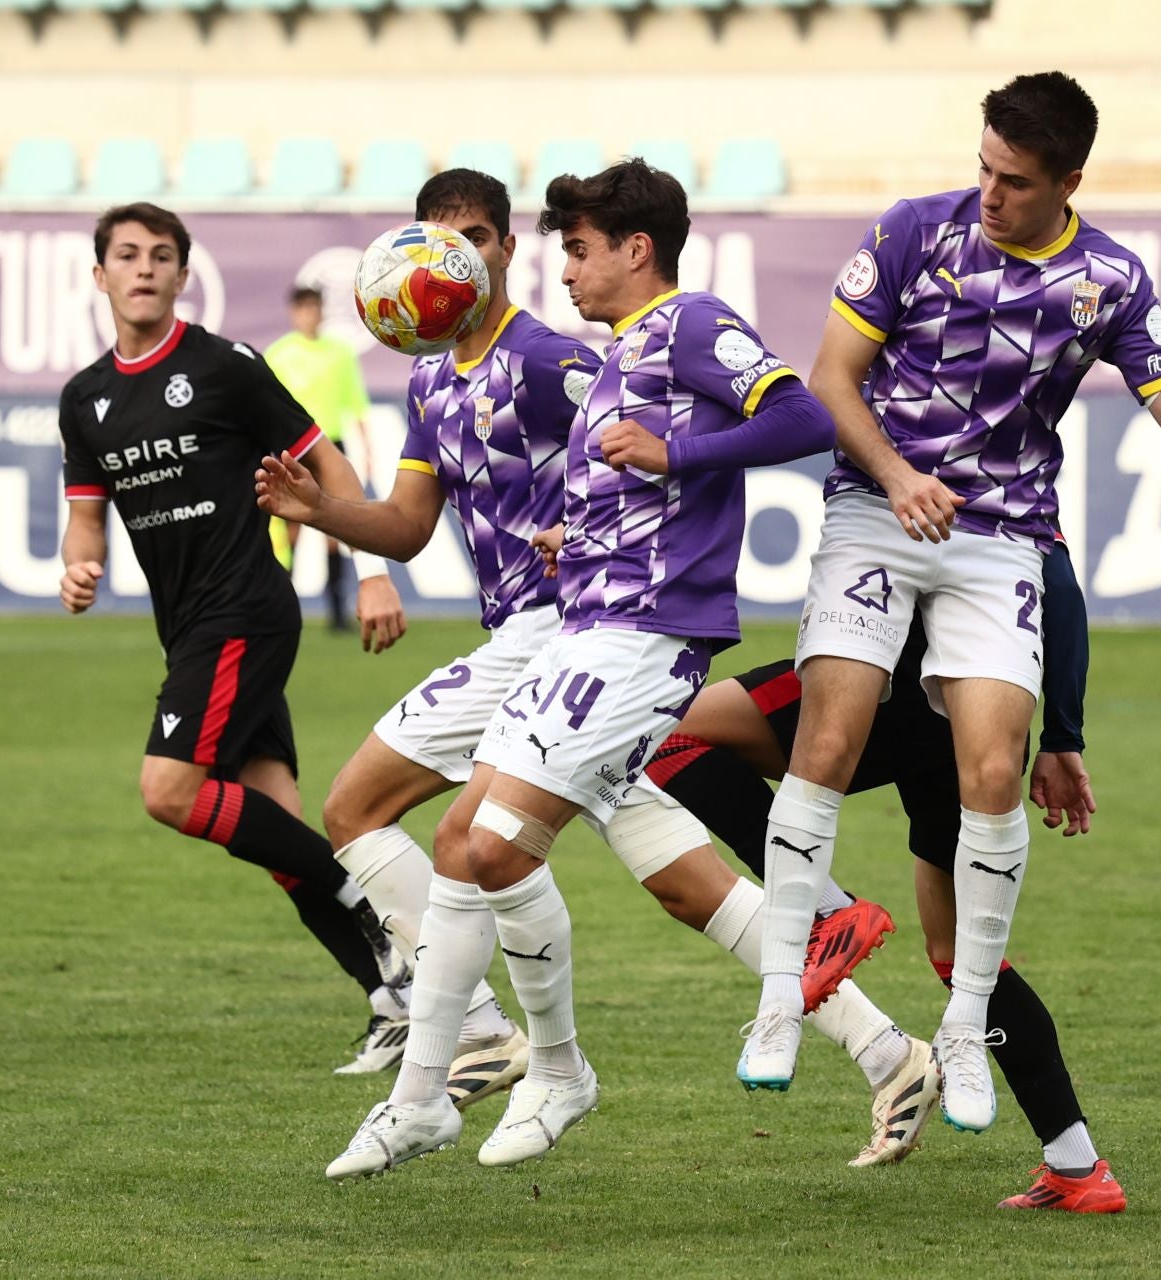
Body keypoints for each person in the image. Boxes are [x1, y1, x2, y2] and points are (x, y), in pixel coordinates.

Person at [256, 169, 913, 1174]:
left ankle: (496, 1052)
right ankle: (884, 1045)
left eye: (479, 238)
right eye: (438, 244)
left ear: (505, 247)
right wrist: (330, 520)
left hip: (572, 634)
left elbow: (746, 432)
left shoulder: (560, 359)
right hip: (576, 631)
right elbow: (410, 520)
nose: (456, 265)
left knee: (432, 825)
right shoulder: (442, 377)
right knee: (661, 878)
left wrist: (655, 477)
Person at [746, 71, 1161, 1130]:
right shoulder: (917, 232)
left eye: (1013, 180)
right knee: (826, 735)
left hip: (1000, 537)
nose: (990, 193)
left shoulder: (1109, 278)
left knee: (995, 771)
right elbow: (831, 377)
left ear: (1068, 180)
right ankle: (782, 990)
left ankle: (964, 1026)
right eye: (984, 168)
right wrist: (900, 475)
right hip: (879, 509)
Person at [648, 540, 1124, 1212]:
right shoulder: (1012, 477)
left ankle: (828, 910)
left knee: (663, 731)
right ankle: (1077, 1168)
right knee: (959, 955)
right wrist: (1061, 733)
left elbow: (1057, 584)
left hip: (881, 684)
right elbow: (1062, 591)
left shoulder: (932, 452)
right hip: (976, 717)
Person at [55, 201, 410, 1056]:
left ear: (183, 276)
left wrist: (369, 569)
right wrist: (76, 562)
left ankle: (395, 926)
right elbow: (86, 516)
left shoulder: (226, 368)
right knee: (277, 826)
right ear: (100, 276)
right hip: (188, 631)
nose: (145, 268)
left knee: (169, 791)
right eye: (128, 256)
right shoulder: (85, 400)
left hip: (246, 611)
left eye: (162, 256)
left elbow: (327, 463)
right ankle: (399, 1003)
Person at [263, 286, 407, 650]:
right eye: (303, 310)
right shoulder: (279, 354)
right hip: (290, 451)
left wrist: (369, 449)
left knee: (335, 532)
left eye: (314, 309)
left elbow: (355, 404)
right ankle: (282, 606)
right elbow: (263, 407)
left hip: (330, 449)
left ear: (321, 312)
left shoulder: (339, 354)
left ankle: (336, 612)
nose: (309, 316)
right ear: (295, 313)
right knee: (290, 533)